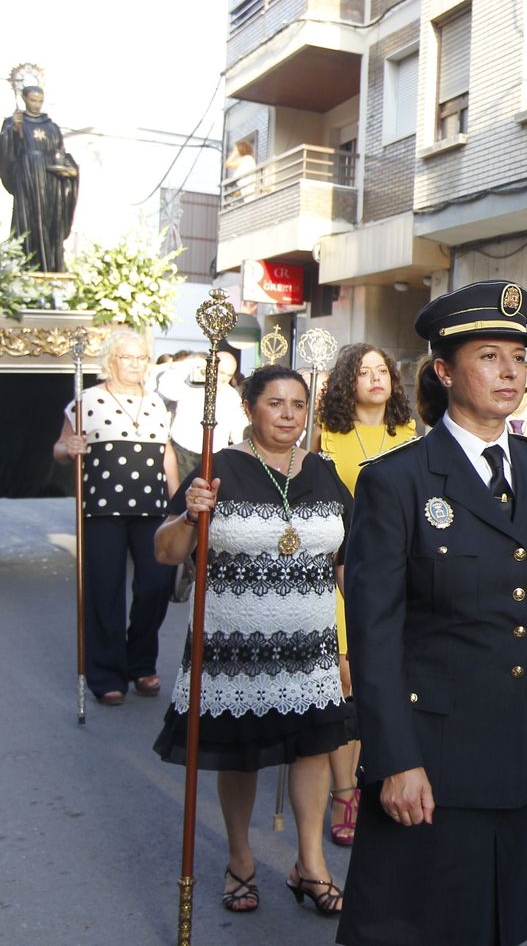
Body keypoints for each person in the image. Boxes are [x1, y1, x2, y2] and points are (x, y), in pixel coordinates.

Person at [337, 281, 527, 946]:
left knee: (502, 922)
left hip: (519, 748)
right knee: (416, 926)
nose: (510, 371)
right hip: (433, 754)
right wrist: (394, 757)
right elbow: (374, 633)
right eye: (489, 355)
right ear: (445, 370)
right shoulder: (398, 480)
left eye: (518, 356)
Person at [152, 365, 355, 917]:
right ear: (250, 409)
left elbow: (346, 563)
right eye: (275, 404)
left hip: (309, 645)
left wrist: (362, 635)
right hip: (235, 649)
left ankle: (309, 864)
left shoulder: (322, 471)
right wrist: (192, 518)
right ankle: (241, 860)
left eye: (297, 404)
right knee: (239, 755)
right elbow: (166, 552)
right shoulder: (220, 469)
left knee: (315, 750)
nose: (288, 415)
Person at [309, 343, 419, 848]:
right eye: (365, 371)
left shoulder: (410, 434)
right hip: (340, 570)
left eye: (383, 371)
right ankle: (343, 791)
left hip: (400, 571)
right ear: (348, 380)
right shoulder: (325, 437)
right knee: (347, 679)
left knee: (391, 677)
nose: (376, 378)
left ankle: (387, 767)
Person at [52, 329, 179, 705]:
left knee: (156, 585)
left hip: (152, 508)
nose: (136, 363)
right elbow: (60, 447)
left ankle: (141, 663)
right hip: (102, 508)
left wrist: (175, 503)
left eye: (141, 357)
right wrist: (68, 447)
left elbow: (166, 452)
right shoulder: (87, 401)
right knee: (105, 590)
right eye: (127, 357)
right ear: (111, 360)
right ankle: (107, 673)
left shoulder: (157, 403)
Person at [1, 84, 78, 272]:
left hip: (50, 180)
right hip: (27, 178)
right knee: (27, 220)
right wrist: (13, 131)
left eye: (40, 101)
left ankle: (51, 266)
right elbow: (5, 152)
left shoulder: (52, 127)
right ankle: (25, 266)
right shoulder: (14, 122)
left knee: (50, 219)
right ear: (25, 99)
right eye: (33, 100)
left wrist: (70, 171)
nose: (36, 105)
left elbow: (61, 154)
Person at [159, 349, 248, 483]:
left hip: (214, 458)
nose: (223, 378)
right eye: (221, 372)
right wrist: (191, 365)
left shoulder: (231, 396)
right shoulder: (190, 384)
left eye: (228, 375)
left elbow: (239, 431)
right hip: (182, 454)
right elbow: (166, 390)